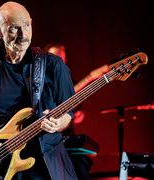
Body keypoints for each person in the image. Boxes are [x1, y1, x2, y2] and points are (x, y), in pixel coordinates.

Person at [0, 1, 77, 180]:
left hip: (45, 166)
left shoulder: (53, 66)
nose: (24, 35)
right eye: (14, 28)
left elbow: (68, 113)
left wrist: (57, 124)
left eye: (27, 25)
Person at [44, 42, 108, 180]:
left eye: (61, 58)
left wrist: (75, 116)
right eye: (54, 56)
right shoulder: (38, 82)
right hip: (44, 139)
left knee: (80, 167)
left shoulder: (68, 83)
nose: (58, 61)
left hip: (66, 138)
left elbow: (77, 115)